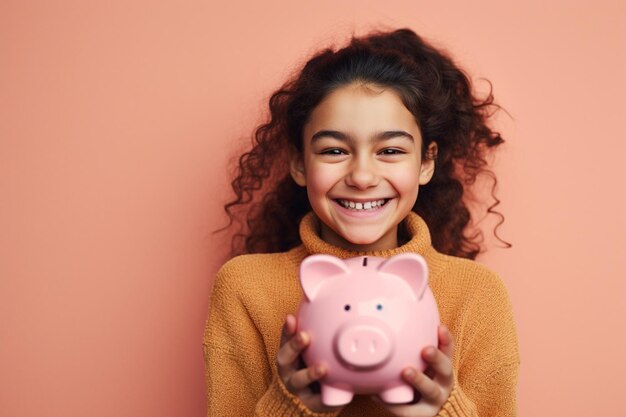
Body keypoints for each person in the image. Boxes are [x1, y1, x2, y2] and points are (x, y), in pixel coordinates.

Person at [203, 28, 520, 417]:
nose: (362, 176)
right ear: (300, 163)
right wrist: (288, 404)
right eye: (335, 150)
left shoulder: (476, 296)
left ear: (425, 162)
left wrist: (444, 410)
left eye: (390, 150)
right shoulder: (245, 288)